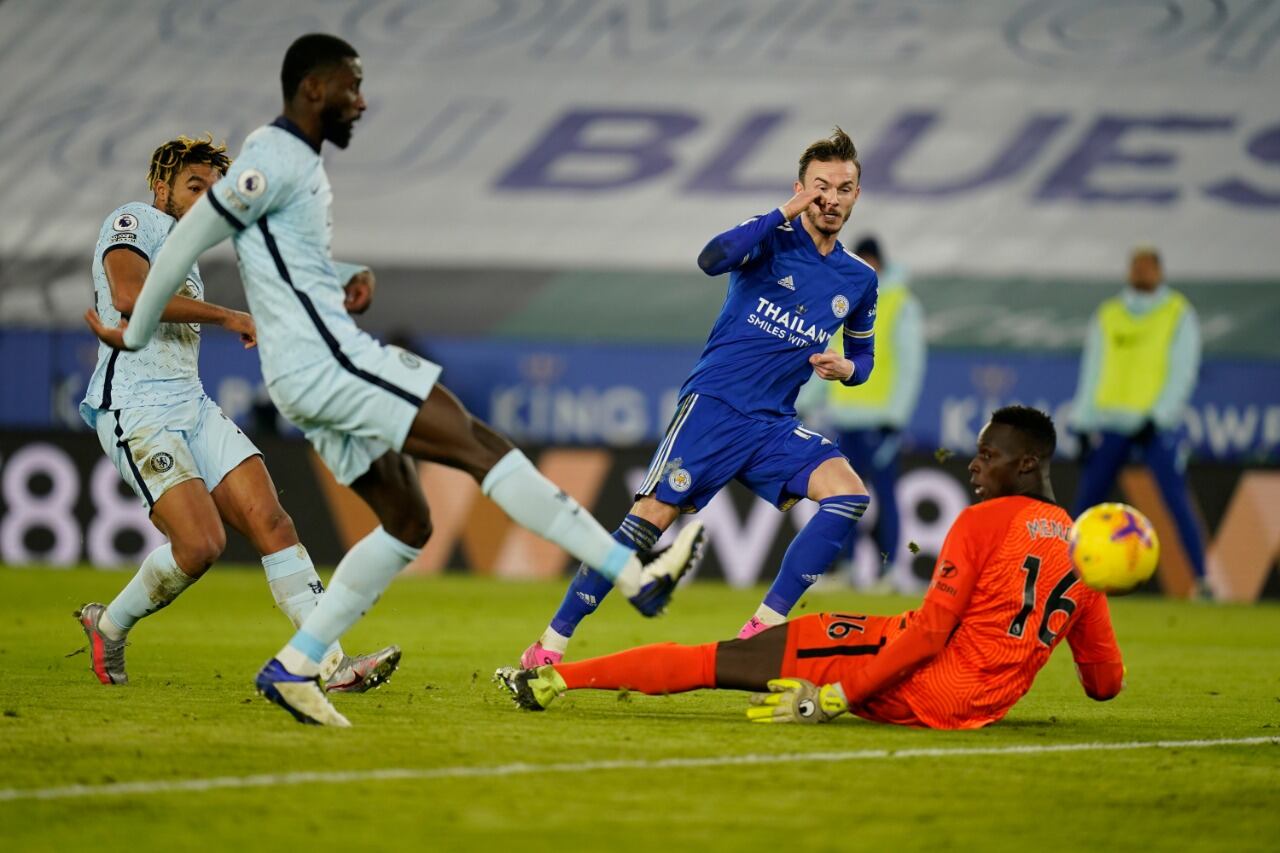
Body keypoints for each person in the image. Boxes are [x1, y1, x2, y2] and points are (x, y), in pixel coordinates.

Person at [85, 34, 704, 727]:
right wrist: (134, 331)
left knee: (408, 522)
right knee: (479, 444)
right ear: (315, 89)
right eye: (352, 86)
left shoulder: (295, 167)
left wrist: (347, 275)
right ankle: (636, 574)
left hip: (305, 369)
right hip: (326, 364)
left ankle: (297, 664)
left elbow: (287, 265)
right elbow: (190, 240)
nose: (363, 99)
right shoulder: (264, 161)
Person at [497, 407, 1126, 730]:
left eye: (987, 457)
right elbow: (1105, 686)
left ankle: (555, 680)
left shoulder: (983, 523)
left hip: (925, 683)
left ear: (1024, 465)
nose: (973, 468)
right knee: (854, 629)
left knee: (719, 662)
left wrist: (834, 698)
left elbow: (931, 634)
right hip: (984, 703)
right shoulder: (1083, 548)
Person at [518, 127, 878, 669]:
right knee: (647, 521)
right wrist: (784, 211)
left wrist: (847, 368)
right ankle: (549, 645)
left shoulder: (859, 279)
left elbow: (865, 363)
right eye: (819, 186)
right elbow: (711, 258)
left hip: (773, 423)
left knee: (848, 495)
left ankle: (763, 627)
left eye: (844, 188)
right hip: (714, 407)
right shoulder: (770, 239)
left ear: (856, 194)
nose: (831, 199)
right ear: (800, 187)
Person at [75, 134, 399, 692]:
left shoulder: (187, 249)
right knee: (201, 548)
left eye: (213, 189)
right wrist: (229, 316)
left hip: (191, 404)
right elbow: (129, 295)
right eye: (193, 186)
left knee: (272, 521)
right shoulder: (134, 220)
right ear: (162, 190)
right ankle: (109, 626)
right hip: (136, 407)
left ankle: (331, 666)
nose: (205, 198)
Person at [1070, 247, 1205, 592]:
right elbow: (1093, 370)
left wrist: (1159, 416)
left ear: (1160, 272)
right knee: (1086, 505)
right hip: (1110, 424)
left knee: (1176, 501)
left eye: (1147, 268)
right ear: (1129, 272)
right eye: (1136, 268)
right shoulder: (1109, 313)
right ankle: (1060, 579)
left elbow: (1183, 371)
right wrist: (1083, 423)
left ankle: (1203, 582)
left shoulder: (1178, 313)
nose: (1141, 274)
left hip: (1154, 427)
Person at [796, 235, 925, 591]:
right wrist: (806, 402)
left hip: (879, 419)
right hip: (844, 417)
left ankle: (889, 572)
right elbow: (831, 355)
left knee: (883, 497)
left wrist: (895, 418)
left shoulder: (901, 303)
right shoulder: (848, 298)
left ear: (879, 263)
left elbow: (911, 365)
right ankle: (845, 569)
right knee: (839, 496)